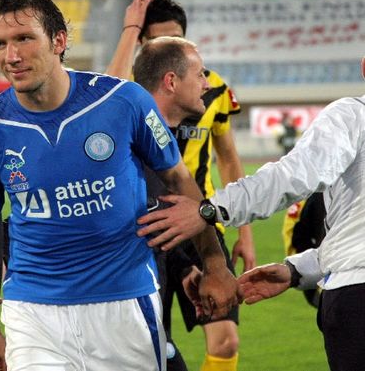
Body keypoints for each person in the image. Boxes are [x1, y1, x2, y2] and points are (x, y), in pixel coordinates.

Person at [0, 0, 238, 371]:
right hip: (33, 312)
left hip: (125, 304)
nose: (12, 56)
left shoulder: (123, 101)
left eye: (24, 38)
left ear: (59, 41)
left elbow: (179, 181)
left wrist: (215, 263)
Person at [140, 56, 365, 371]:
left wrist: (211, 209)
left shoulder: (353, 116)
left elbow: (294, 176)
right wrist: (298, 270)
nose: (206, 84)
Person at [107, 0, 255, 371]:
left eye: (176, 38)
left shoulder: (210, 93)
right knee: (154, 344)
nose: (204, 81)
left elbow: (224, 161)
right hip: (147, 228)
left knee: (221, 341)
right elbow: (110, 89)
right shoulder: (128, 110)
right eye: (159, 40)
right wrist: (129, 28)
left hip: (196, 220)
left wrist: (228, 245)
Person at [281, 192, 326, 308]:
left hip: (334, 285)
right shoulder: (313, 192)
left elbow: (293, 233)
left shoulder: (312, 191)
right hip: (334, 284)